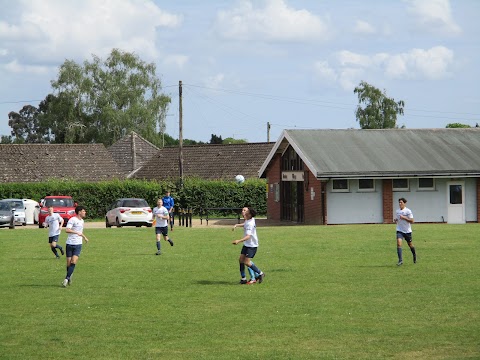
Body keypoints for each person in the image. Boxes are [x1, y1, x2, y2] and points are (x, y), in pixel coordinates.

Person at [232, 207, 265, 284]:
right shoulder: (249, 220)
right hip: (247, 245)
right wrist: (237, 225)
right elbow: (245, 224)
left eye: (245, 211)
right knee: (241, 260)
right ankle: (243, 279)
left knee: (247, 262)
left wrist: (238, 241)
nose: (243, 212)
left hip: (252, 246)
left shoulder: (250, 223)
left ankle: (260, 274)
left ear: (250, 214)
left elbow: (248, 236)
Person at [62, 206, 89, 287]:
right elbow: (67, 230)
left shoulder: (82, 221)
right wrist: (76, 232)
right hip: (70, 243)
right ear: (79, 212)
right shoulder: (73, 219)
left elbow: (80, 232)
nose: (85, 212)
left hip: (78, 244)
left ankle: (66, 279)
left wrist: (84, 237)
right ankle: (69, 276)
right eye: (83, 211)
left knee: (74, 261)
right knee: (68, 264)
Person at [394, 197, 416, 266]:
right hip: (399, 230)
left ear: (404, 203)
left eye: (401, 202)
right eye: (399, 202)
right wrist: (396, 220)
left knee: (410, 244)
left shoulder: (408, 211)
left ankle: (414, 255)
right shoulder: (397, 211)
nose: (400, 204)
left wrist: (404, 218)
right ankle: (400, 260)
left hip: (407, 231)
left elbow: (412, 221)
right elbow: (397, 219)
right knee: (399, 243)